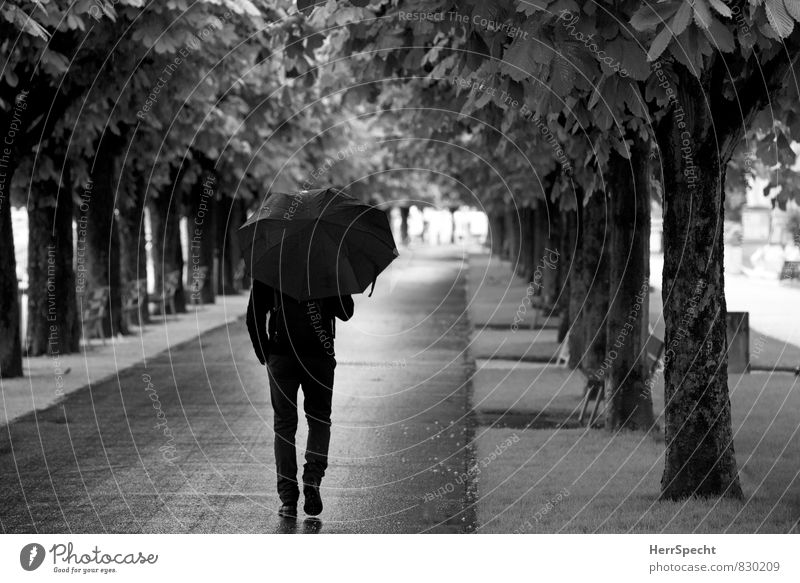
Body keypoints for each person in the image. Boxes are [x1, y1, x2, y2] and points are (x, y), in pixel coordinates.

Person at [246, 279, 354, 519]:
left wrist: (265, 353)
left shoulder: (272, 263)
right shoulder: (327, 262)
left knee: (284, 425)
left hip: (282, 355)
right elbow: (346, 312)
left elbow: (253, 316)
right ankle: (313, 477)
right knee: (319, 419)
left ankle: (288, 499)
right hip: (319, 355)